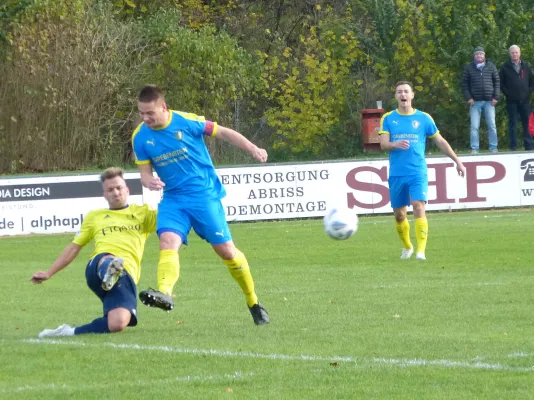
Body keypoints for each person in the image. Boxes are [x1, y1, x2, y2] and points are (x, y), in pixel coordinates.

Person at [132, 85, 269, 326]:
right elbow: (144, 174)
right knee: (167, 241)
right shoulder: (140, 137)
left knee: (227, 252)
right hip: (173, 199)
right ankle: (164, 292)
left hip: (203, 196)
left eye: (150, 113)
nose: (145, 118)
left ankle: (253, 302)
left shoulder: (187, 121)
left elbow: (224, 133)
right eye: (141, 113)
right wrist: (148, 181)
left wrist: (252, 148)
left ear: (163, 107)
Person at [30, 167, 156, 337]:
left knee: (118, 323)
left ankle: (67, 332)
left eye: (119, 188)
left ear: (127, 190)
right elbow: (74, 247)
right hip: (97, 266)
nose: (115, 192)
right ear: (104, 194)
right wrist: (49, 273)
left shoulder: (143, 213)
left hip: (127, 275)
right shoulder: (95, 216)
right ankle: (110, 271)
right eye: (110, 190)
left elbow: (171, 219)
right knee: (109, 259)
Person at [379, 81, 466, 260]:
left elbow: (440, 141)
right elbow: (383, 145)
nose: (403, 95)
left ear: (412, 95)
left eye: (406, 91)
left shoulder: (424, 118)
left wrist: (457, 161)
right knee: (400, 215)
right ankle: (407, 246)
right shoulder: (388, 118)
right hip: (397, 173)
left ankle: (421, 251)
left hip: (418, 171)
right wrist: (395, 144)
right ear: (396, 96)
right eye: (399, 92)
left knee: (418, 206)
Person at [462, 46, 500, 154]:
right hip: (475, 102)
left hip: (489, 101)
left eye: (481, 54)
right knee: (474, 126)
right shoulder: (469, 68)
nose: (479, 55)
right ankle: (474, 148)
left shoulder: (491, 66)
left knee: (492, 125)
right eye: (477, 54)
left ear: (484, 55)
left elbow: (497, 82)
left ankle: (493, 148)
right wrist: (469, 98)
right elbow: (464, 84)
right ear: (474, 56)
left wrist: (496, 97)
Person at [499, 45, 534, 151]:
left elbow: (532, 81)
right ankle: (513, 147)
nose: (514, 54)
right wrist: (508, 94)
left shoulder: (526, 65)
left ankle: (529, 146)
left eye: (516, 52)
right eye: (512, 52)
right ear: (509, 53)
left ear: (520, 53)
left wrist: (528, 92)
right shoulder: (505, 67)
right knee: (512, 124)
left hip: (525, 100)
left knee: (527, 123)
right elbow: (501, 84)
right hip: (511, 101)